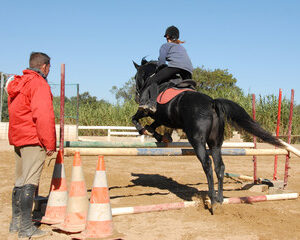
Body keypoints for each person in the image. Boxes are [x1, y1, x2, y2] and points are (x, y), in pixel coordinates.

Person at [7, 52, 56, 238]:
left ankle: (16, 223)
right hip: (33, 139)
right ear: (44, 67)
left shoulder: (18, 83)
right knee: (30, 182)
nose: (49, 71)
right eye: (49, 67)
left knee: (19, 182)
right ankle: (27, 228)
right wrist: (49, 143)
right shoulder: (39, 84)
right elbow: (43, 116)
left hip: (18, 138)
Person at [139, 25, 193, 113]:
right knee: (189, 88)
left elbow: (161, 60)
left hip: (175, 66)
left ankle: (152, 104)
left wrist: (159, 69)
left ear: (167, 36)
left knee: (153, 80)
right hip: (188, 70)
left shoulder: (165, 45)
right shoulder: (182, 47)